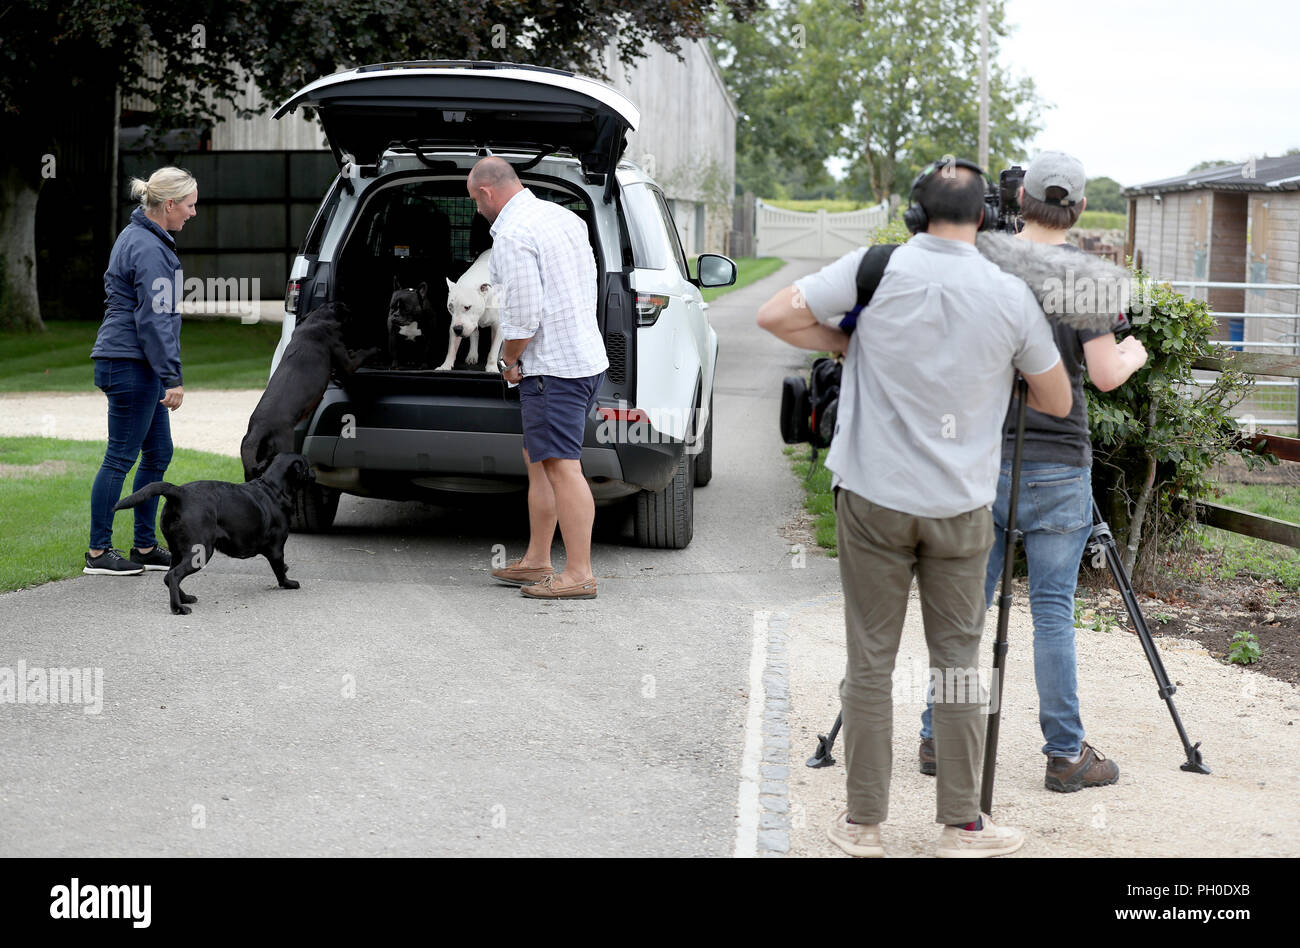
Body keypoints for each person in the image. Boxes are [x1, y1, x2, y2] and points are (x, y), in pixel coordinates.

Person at [757, 158, 1072, 858]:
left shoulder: (876, 267)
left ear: (915, 214)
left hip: (872, 498)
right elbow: (1055, 400)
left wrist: (848, 340)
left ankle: (864, 825)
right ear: (986, 218)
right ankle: (961, 826)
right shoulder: (1009, 293)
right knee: (958, 664)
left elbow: (773, 314)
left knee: (870, 660)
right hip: (960, 509)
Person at [917, 151, 1149, 792]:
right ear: (1076, 209)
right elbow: (1103, 377)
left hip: (979, 464)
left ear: (1018, 202)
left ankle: (939, 739)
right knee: (1052, 612)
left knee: (966, 612)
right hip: (1058, 469)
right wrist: (1131, 352)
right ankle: (1066, 756)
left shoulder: (981, 260)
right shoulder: (1088, 278)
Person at [469, 157, 608, 600]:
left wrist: (509, 362)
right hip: (584, 358)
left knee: (563, 467)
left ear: (487, 193)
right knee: (541, 461)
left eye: (475, 201)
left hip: (552, 369)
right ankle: (537, 560)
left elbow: (524, 315)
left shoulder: (511, 236)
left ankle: (579, 573)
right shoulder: (562, 216)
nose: (476, 210)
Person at [85, 167, 197, 576]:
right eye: (189, 205)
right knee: (120, 457)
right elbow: (154, 319)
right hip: (130, 364)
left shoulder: (141, 236)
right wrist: (172, 376)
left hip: (134, 362)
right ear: (168, 205)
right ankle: (98, 553)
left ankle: (145, 546)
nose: (193, 212)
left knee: (158, 453)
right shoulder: (148, 247)